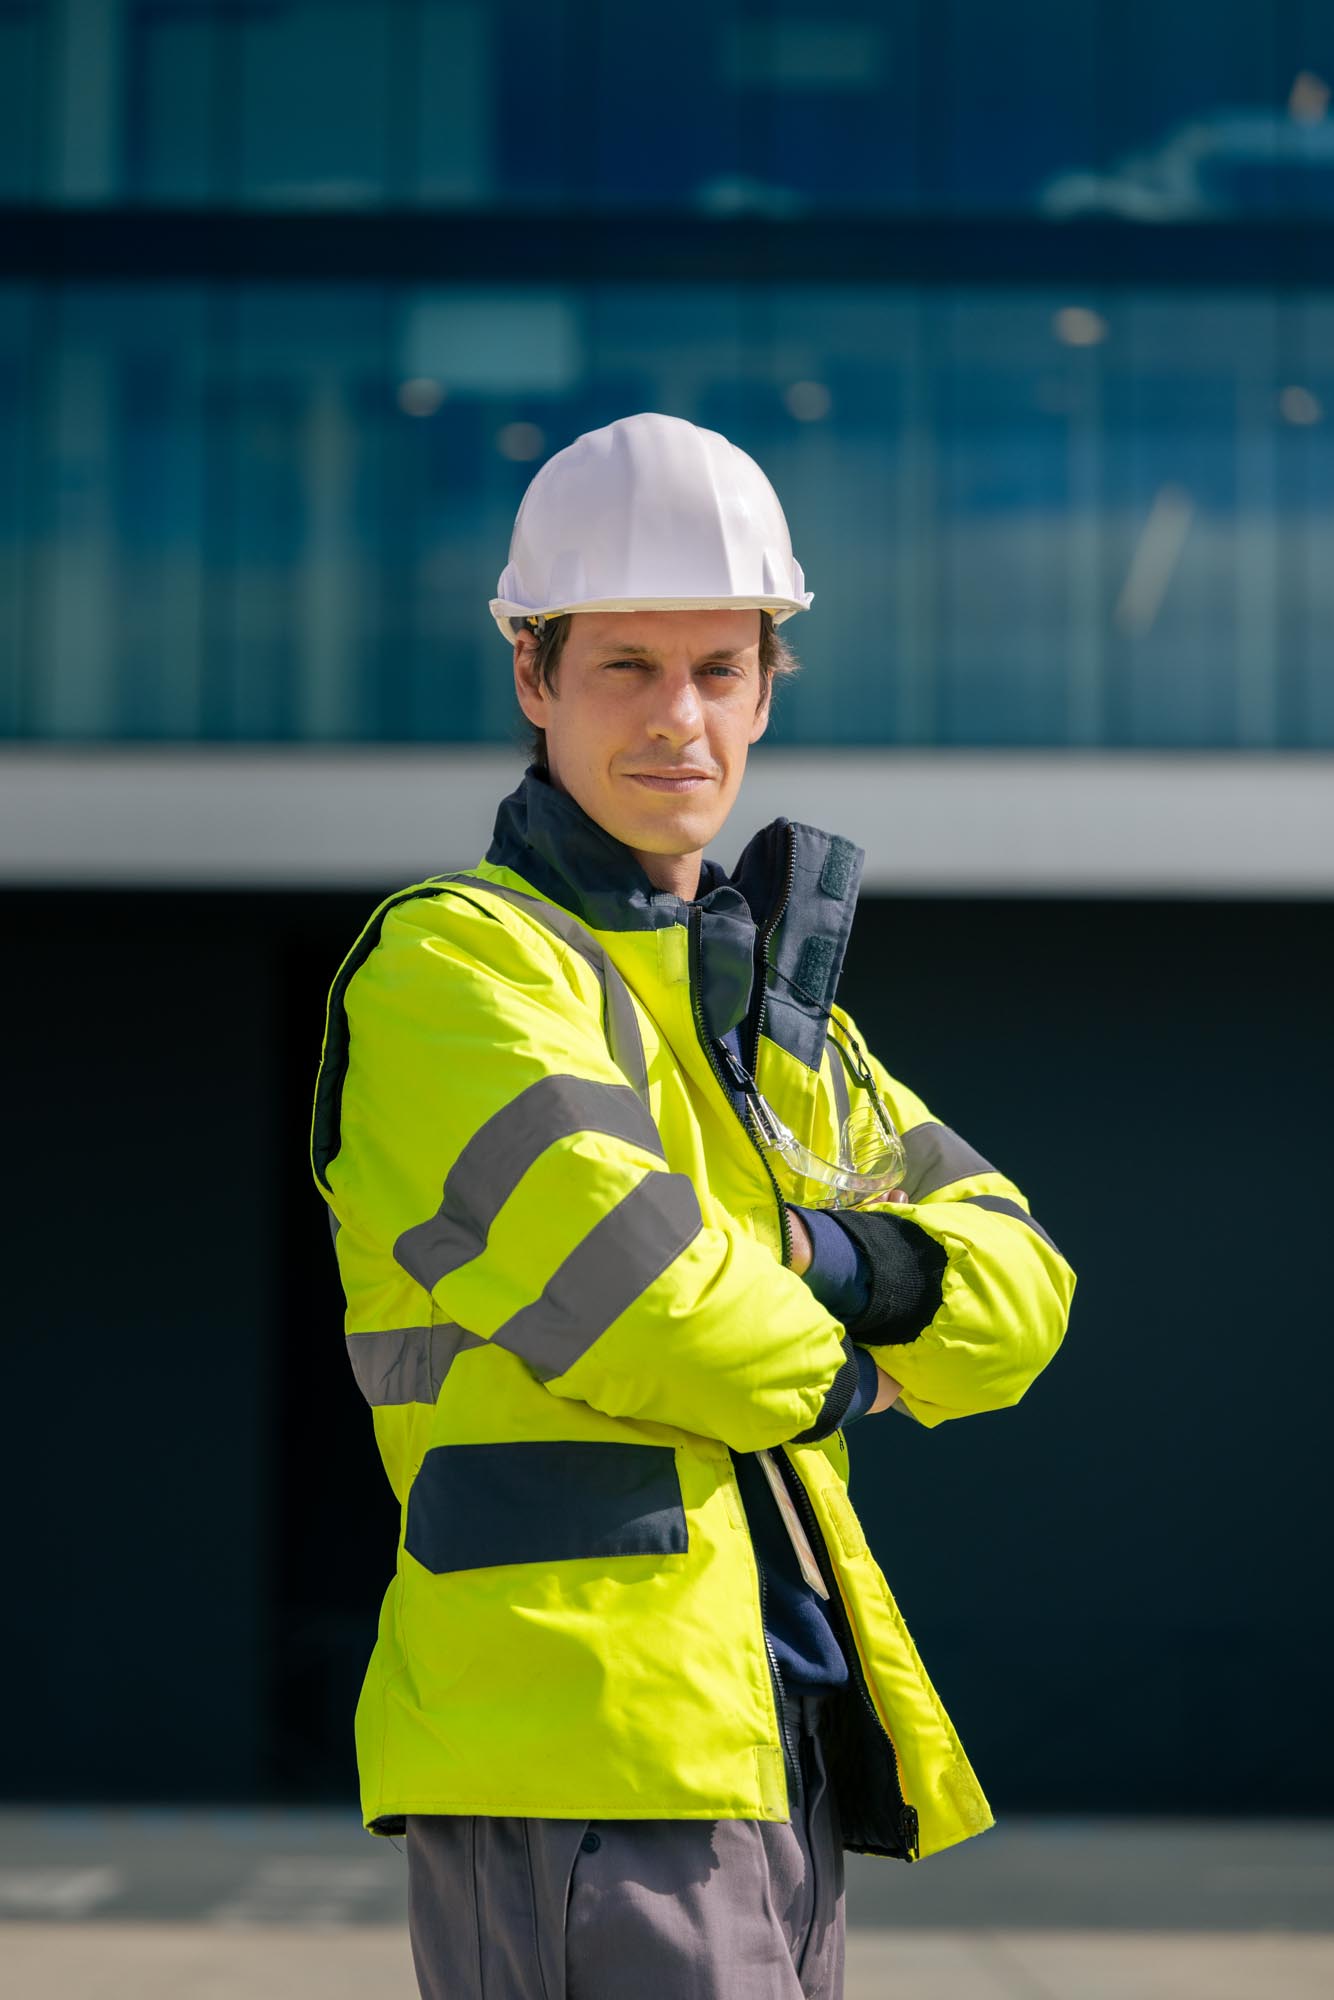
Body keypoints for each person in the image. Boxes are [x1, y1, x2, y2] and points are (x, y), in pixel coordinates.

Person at [310, 411, 1075, 1999]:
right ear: (532, 675)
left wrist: (800, 1254)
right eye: (625, 669)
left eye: (720, 671)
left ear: (766, 684)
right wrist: (868, 1343)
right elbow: (657, 1309)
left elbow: (1021, 1298)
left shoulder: (772, 1029)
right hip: (576, 1738)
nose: (680, 720)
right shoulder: (459, 968)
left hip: (770, 1728)